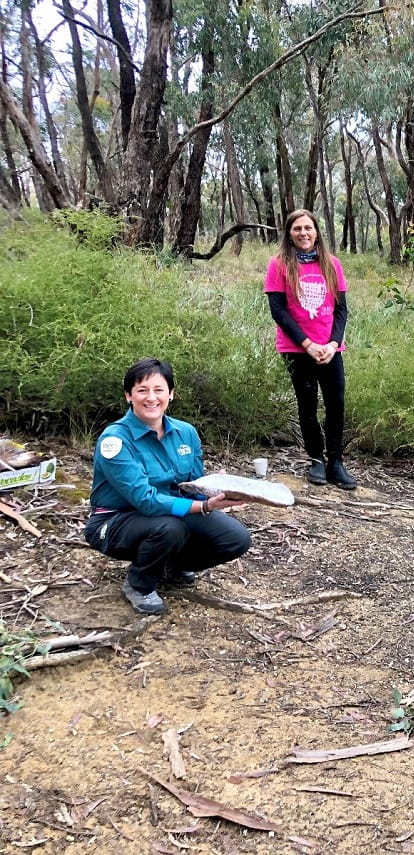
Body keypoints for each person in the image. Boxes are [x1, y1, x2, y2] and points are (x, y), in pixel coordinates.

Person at [85, 359, 252, 615]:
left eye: (159, 390)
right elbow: (146, 501)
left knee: (235, 539)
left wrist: (216, 489)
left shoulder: (186, 432)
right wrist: (204, 506)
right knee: (169, 527)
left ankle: (170, 566)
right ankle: (139, 585)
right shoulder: (115, 440)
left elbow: (192, 485)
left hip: (170, 511)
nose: (151, 398)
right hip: (116, 520)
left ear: (171, 394)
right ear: (128, 396)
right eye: (142, 390)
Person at [265, 208, 356, 490]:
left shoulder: (331, 264)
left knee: (336, 404)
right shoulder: (279, 265)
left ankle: (335, 462)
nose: (303, 233)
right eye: (297, 229)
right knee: (307, 404)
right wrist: (307, 344)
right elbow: (278, 311)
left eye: (308, 228)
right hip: (297, 348)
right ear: (289, 235)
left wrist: (331, 344)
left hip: (330, 349)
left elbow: (341, 311)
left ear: (316, 231)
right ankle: (316, 459)